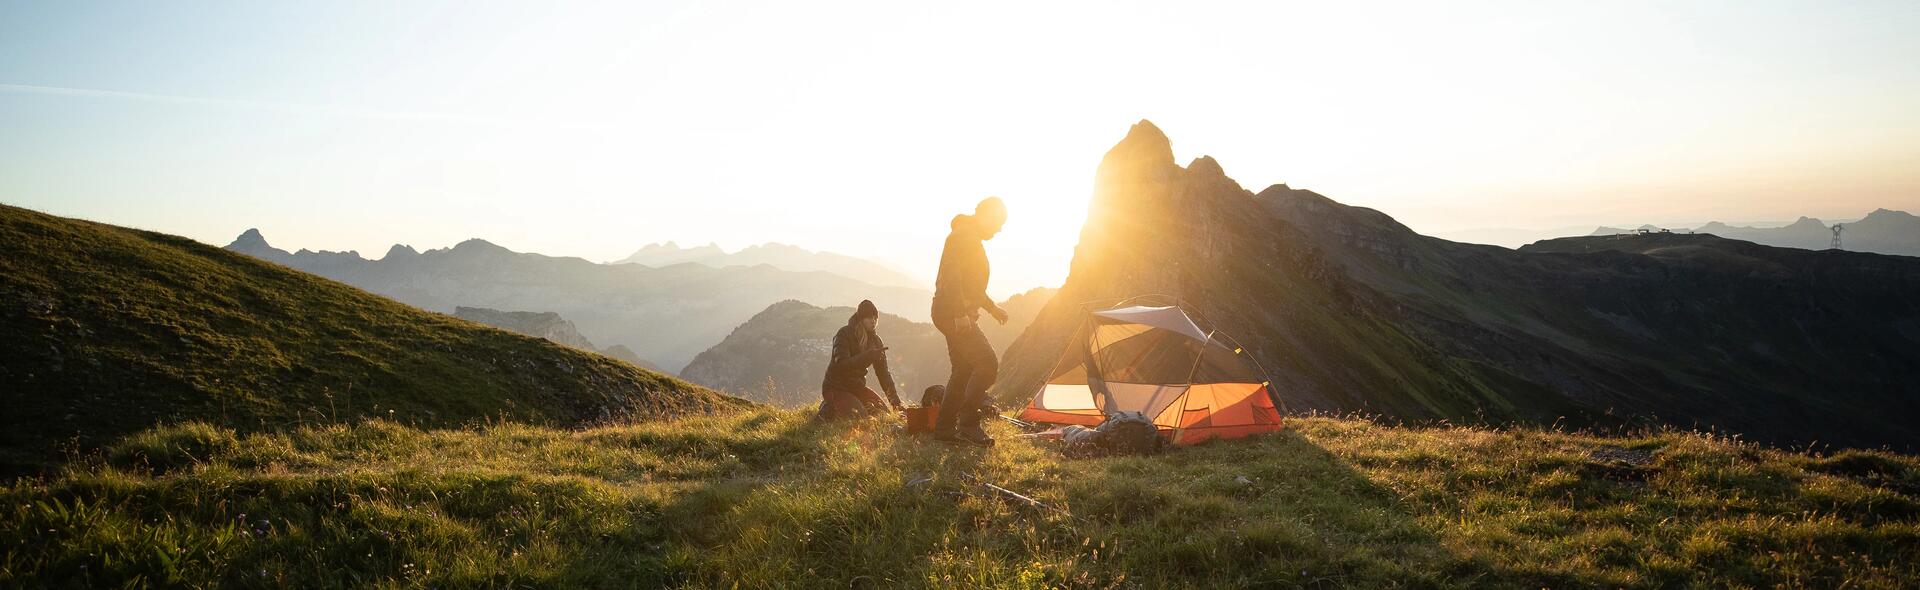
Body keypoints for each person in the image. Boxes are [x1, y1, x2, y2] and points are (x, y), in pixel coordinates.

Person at [931, 197, 1009, 446]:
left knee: (963, 370)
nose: (999, 229)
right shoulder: (964, 236)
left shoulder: (967, 235)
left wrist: (991, 307)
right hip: (952, 312)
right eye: (998, 223)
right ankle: (968, 424)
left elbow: (971, 284)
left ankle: (944, 429)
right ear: (986, 215)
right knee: (987, 363)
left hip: (950, 311)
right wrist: (959, 313)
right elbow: (952, 276)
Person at [816, 300, 902, 421]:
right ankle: (828, 408)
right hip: (835, 388)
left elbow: (884, 375)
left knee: (883, 415)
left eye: (875, 318)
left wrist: (896, 404)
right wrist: (867, 356)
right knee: (860, 418)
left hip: (856, 388)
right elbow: (841, 364)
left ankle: (838, 406)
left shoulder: (876, 341)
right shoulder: (844, 334)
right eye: (868, 318)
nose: (873, 321)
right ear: (861, 319)